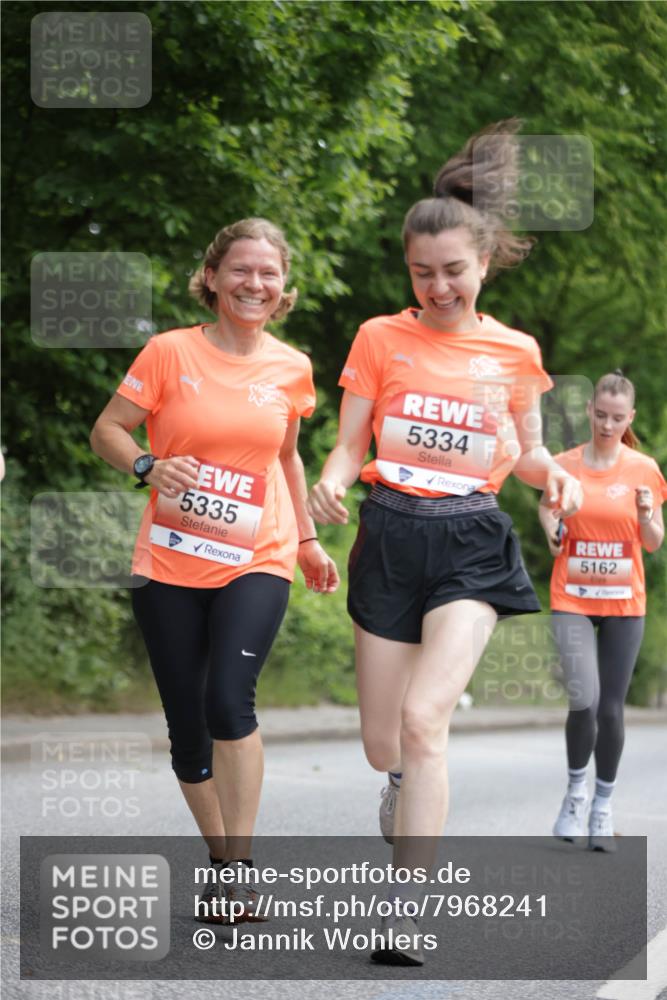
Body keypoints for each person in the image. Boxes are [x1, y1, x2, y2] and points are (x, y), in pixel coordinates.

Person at [307, 121, 582, 966]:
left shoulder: (513, 351)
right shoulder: (380, 339)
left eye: (453, 271)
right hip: (389, 535)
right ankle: (396, 784)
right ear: (407, 272)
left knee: (427, 722)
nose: (438, 288)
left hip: (468, 537)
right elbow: (351, 444)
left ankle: (404, 913)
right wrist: (331, 479)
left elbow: (525, 449)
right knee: (385, 743)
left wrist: (556, 476)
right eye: (422, 273)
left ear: (485, 262)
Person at [91, 217, 339, 922]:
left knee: (230, 700)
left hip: (256, 556)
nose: (253, 283)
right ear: (212, 277)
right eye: (240, 270)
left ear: (283, 287)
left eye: (267, 273)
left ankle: (241, 870)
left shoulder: (291, 368)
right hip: (167, 561)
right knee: (187, 734)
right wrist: (146, 463)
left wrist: (306, 540)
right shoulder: (168, 353)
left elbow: (286, 457)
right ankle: (222, 860)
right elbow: (107, 429)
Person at [540, 370, 666, 852]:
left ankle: (603, 806)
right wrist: (553, 528)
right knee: (583, 700)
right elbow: (547, 508)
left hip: (623, 602)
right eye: (601, 415)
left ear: (629, 418)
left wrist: (645, 517)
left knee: (611, 711)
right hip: (571, 595)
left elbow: (654, 542)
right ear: (589, 411)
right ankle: (575, 793)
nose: (608, 424)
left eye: (618, 418)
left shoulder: (644, 469)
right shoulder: (564, 463)